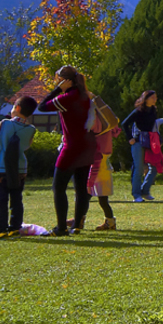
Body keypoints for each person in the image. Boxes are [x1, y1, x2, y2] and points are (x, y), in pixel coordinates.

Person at [39, 65, 95, 236]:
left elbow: (42, 107)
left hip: (72, 148)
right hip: (87, 146)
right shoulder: (85, 95)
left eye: (58, 79)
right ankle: (77, 225)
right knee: (80, 187)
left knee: (58, 187)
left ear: (65, 80)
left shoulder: (67, 98)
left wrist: (57, 90)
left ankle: (61, 228)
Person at [0, 95, 39, 240]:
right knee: (16, 199)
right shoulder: (31, 129)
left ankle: (0, 229)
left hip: (2, 167)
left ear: (17, 108)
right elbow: (27, 146)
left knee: (1, 200)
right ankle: (15, 227)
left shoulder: (5, 123)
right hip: (20, 168)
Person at [121, 90, 163, 202]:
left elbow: (154, 125)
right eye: (153, 97)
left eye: (156, 97)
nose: (155, 99)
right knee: (139, 169)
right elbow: (125, 123)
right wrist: (130, 138)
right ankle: (136, 195)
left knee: (154, 167)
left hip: (150, 142)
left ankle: (145, 191)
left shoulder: (153, 110)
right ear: (146, 99)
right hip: (138, 142)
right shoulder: (138, 111)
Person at [87, 92, 122, 231]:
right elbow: (115, 129)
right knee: (96, 193)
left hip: (97, 157)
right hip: (104, 157)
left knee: (95, 192)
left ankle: (109, 221)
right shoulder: (108, 120)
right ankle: (107, 220)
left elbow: (89, 130)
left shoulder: (96, 120)